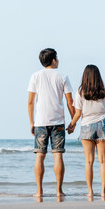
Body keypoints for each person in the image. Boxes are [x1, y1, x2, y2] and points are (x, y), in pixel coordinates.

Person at [28, 48, 75, 198]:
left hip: (40, 121)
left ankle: (39, 191)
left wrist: (31, 122)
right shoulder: (62, 76)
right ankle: (59, 191)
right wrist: (73, 121)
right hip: (58, 121)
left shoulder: (35, 76)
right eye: (57, 58)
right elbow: (70, 102)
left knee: (39, 156)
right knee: (58, 156)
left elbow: (30, 102)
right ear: (54, 60)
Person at [67, 64, 105, 200]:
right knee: (103, 161)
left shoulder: (80, 93)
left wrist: (71, 125)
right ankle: (103, 192)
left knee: (88, 161)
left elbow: (78, 114)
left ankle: (90, 191)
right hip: (102, 124)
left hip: (86, 125)